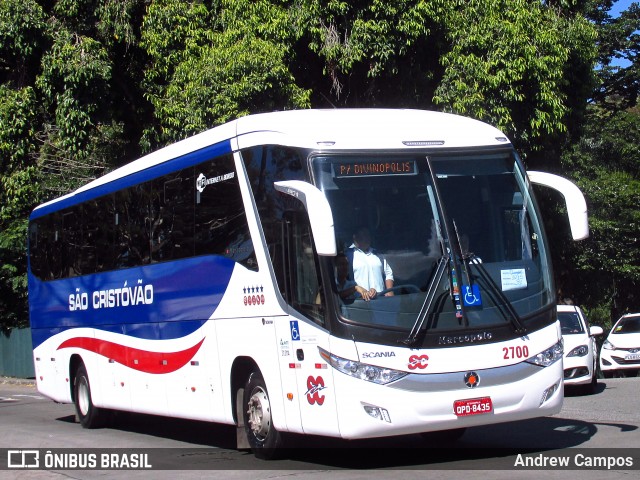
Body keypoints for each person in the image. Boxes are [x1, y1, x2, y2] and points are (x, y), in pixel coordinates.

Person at [345, 227, 394, 301]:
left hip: (382, 299)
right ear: (355, 237)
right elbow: (343, 279)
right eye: (364, 235)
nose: (367, 238)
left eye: (368, 235)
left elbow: (388, 272)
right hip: (360, 302)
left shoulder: (377, 254)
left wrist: (389, 291)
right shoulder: (348, 255)